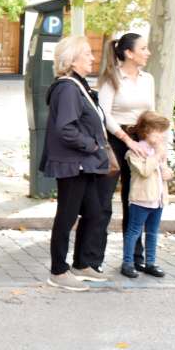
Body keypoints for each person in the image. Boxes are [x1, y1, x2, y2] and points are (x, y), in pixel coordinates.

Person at [39, 36, 111, 292]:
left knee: (94, 212)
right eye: (88, 54)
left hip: (83, 163)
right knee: (67, 216)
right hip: (74, 164)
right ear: (72, 59)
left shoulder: (77, 85)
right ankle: (58, 270)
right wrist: (91, 145)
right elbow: (66, 129)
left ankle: (82, 264)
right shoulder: (68, 88)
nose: (93, 58)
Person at [97, 32, 156, 273]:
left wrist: (154, 142)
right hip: (115, 140)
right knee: (103, 202)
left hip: (141, 140)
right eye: (144, 48)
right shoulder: (111, 78)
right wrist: (125, 139)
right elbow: (104, 114)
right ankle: (93, 259)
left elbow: (150, 111)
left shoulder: (148, 79)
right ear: (129, 53)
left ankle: (133, 258)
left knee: (137, 201)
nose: (148, 52)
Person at [121, 111, 173, 279]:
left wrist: (167, 171)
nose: (161, 136)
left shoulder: (159, 150)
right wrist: (157, 155)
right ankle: (127, 263)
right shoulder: (135, 152)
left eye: (162, 132)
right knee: (134, 231)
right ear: (146, 131)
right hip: (141, 199)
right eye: (157, 131)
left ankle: (150, 262)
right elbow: (144, 171)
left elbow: (163, 170)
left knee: (152, 232)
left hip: (158, 199)